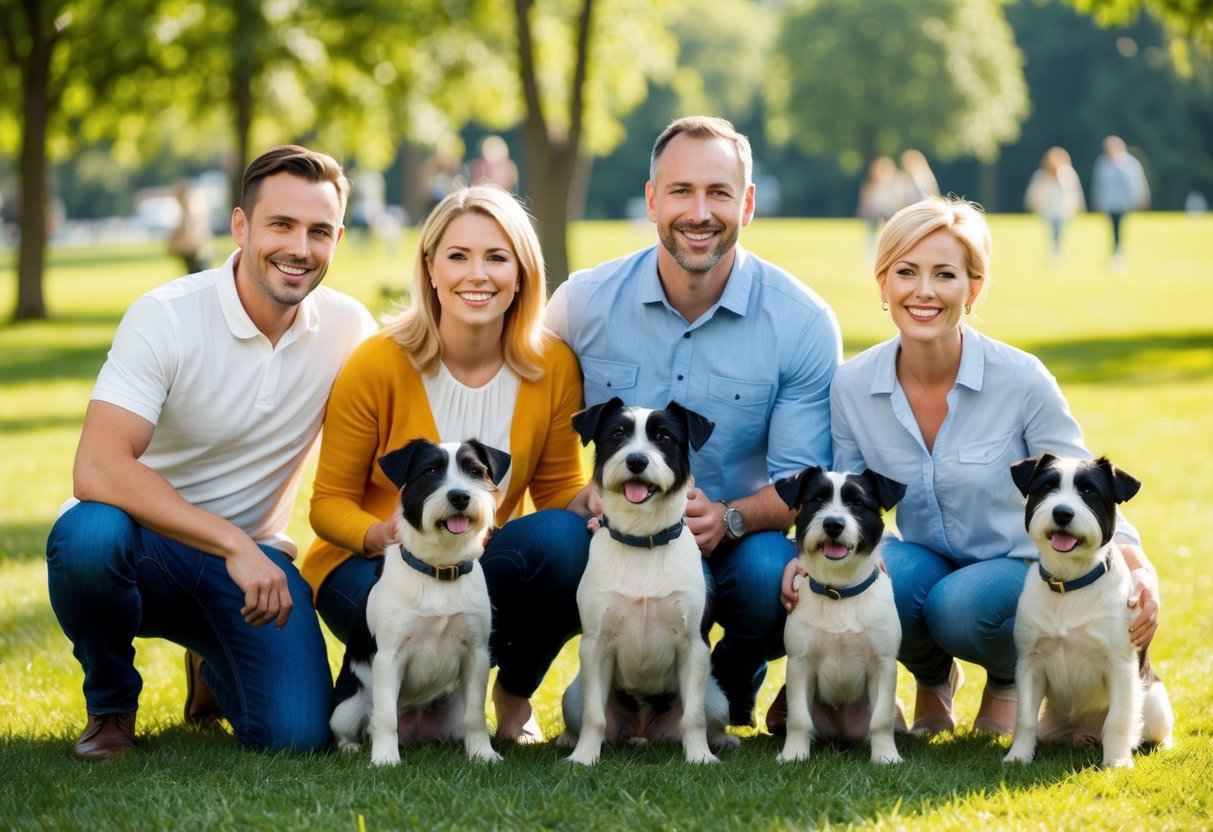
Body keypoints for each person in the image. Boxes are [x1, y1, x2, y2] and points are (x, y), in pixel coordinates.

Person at [45, 145, 377, 761]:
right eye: (281, 225)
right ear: (240, 226)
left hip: (252, 577)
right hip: (143, 548)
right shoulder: (165, 316)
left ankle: (210, 668)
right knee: (87, 537)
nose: (300, 249)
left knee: (297, 736)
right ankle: (112, 708)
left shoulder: (349, 329)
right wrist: (233, 543)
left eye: (320, 231)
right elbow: (97, 467)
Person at [785, 196, 1161, 735]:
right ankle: (934, 680)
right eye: (906, 272)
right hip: (920, 557)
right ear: (883, 283)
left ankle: (1007, 681)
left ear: (973, 287)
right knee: (890, 581)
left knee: (957, 604)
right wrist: (811, 554)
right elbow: (847, 500)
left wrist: (1138, 566)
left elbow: (1085, 484)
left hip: (1018, 569)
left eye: (945, 274)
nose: (924, 291)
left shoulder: (1022, 378)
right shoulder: (851, 385)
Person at [546, 115, 843, 730]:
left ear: (749, 203)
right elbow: (532, 426)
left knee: (766, 574)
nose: (700, 212)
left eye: (720, 193)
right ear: (653, 200)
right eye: (681, 191)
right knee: (542, 546)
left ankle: (725, 694)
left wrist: (730, 516)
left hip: (734, 540)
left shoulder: (803, 322)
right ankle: (524, 695)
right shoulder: (580, 303)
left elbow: (800, 482)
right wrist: (575, 497)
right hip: (612, 533)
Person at [301, 184, 592, 742]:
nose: (476, 275)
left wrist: (595, 503)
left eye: (496, 257)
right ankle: (378, 698)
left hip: (471, 560)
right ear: (430, 268)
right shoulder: (378, 363)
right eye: (458, 256)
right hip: (366, 569)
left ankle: (510, 700)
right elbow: (326, 503)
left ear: (522, 272)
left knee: (566, 540)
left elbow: (558, 492)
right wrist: (385, 534)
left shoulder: (552, 365)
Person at [1091, 135, 1149, 272]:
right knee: (1112, 228)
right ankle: (1115, 253)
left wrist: (1139, 199)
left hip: (1124, 203)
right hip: (1109, 202)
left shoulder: (1130, 163)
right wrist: (1097, 200)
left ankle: (1119, 253)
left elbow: (1137, 183)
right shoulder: (1102, 163)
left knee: (1120, 227)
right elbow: (1099, 185)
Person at [1024, 146, 1085, 264]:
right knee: (1052, 234)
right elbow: (1035, 193)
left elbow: (1075, 192)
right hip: (1048, 211)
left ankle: (1056, 254)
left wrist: (1077, 207)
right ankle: (1054, 254)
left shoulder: (1067, 174)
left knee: (1059, 234)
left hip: (1063, 211)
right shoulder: (1042, 175)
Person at [167, 180, 213, 274]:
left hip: (191, 247)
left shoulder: (189, 211)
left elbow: (186, 230)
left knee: (194, 271)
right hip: (191, 246)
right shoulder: (191, 208)